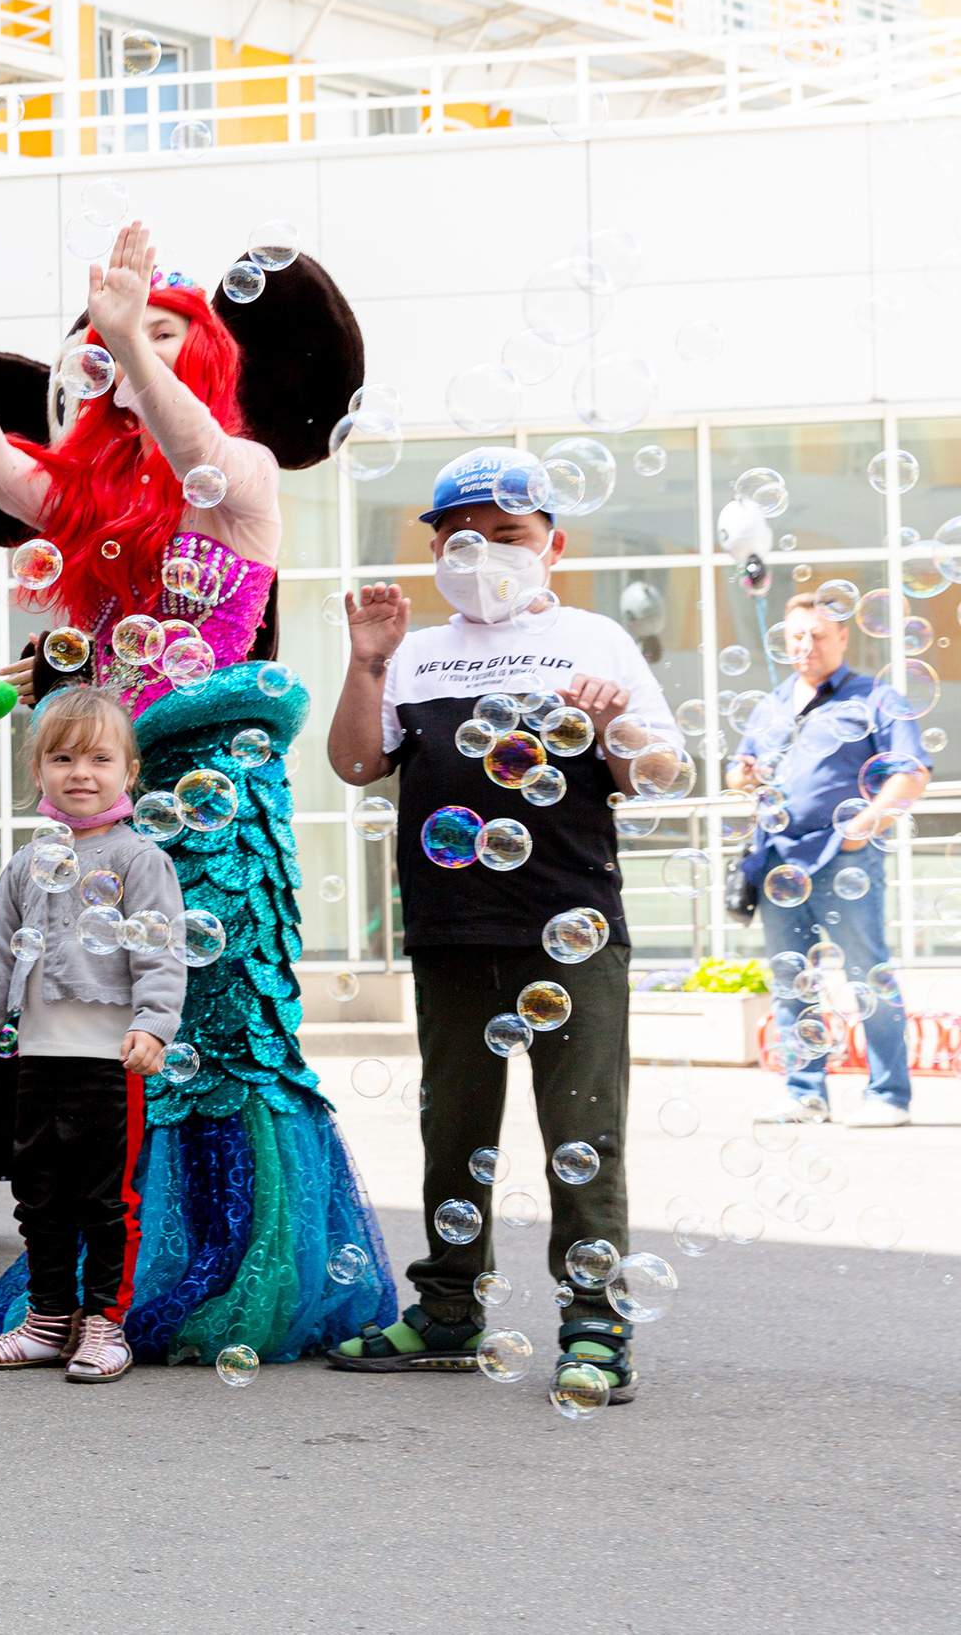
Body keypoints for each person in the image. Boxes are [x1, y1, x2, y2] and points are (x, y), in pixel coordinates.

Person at [0, 227, 397, 1367]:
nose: (123, 344)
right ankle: (96, 1284)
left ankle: (224, 1266)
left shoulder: (244, 472)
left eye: (165, 328)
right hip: (108, 794)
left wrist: (134, 333)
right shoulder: (85, 500)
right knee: (93, 1038)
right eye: (107, 336)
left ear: (203, 358)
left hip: (214, 802)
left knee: (213, 1033)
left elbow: (203, 462)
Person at [321, 446, 678, 1406]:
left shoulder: (594, 639)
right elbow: (357, 763)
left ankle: (597, 1326)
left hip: (572, 927)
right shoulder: (417, 654)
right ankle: (446, 1311)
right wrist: (366, 664)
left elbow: (664, 774)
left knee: (583, 1135)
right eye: (461, 537)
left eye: (508, 535)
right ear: (437, 548)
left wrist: (613, 729)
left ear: (551, 544)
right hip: (450, 930)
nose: (483, 552)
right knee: (455, 1132)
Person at [0, 688, 187, 1383]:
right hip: (38, 1058)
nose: (82, 771)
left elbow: (162, 953)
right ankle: (48, 1318)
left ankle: (106, 1324)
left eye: (101, 757)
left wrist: (153, 1027)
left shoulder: (140, 859)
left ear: (129, 773)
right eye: (63, 756)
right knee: (40, 1194)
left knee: (108, 1202)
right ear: (37, 770)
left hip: (111, 1060)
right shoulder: (25, 863)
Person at [728, 591, 929, 1129]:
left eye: (817, 635)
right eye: (796, 635)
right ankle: (804, 1094)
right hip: (779, 859)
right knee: (792, 980)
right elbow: (735, 770)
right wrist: (742, 773)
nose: (805, 645)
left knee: (868, 977)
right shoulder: (772, 703)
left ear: (843, 637)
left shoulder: (876, 698)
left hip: (845, 857)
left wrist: (867, 824)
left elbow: (912, 773)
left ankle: (889, 1095)